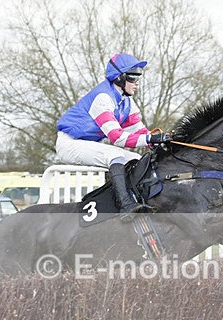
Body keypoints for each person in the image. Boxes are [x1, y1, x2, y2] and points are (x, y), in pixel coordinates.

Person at [55, 53, 171, 221]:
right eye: (133, 77)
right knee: (114, 154)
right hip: (69, 143)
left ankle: (136, 199)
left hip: (86, 144)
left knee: (138, 159)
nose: (137, 82)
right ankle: (125, 205)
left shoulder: (126, 102)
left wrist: (160, 141)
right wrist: (149, 139)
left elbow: (139, 132)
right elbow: (116, 137)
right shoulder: (103, 98)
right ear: (118, 78)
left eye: (138, 77)